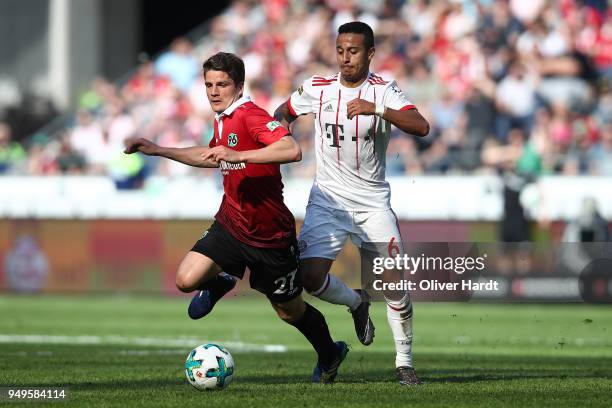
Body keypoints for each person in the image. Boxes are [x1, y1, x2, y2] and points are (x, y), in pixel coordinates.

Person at [125, 52, 347, 384]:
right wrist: (159, 150)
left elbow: (291, 150)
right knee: (185, 280)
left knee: (290, 311)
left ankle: (330, 353)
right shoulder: (223, 117)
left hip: (270, 236)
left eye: (222, 84)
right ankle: (222, 279)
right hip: (231, 222)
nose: (214, 91)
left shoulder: (249, 115)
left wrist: (239, 155)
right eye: (209, 85)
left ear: (239, 86)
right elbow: (210, 155)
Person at [273, 22, 429, 385]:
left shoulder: (384, 90)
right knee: (310, 279)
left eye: (354, 51)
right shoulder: (318, 88)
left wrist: (378, 110)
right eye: (341, 50)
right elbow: (284, 110)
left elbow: (421, 126)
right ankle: (357, 302)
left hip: (372, 203)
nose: (345, 58)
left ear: (370, 53)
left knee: (393, 284)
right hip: (327, 200)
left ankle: (404, 362)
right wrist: (281, 129)